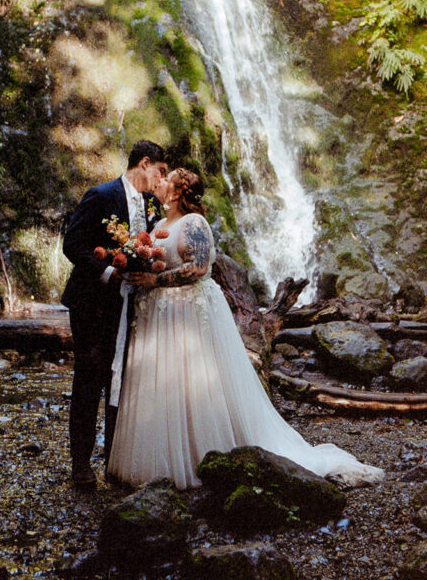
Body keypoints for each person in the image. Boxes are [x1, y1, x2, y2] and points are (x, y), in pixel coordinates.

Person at [107, 167, 384, 490]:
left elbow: (198, 268)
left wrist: (156, 279)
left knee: (195, 384)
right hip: (161, 316)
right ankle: (166, 460)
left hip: (187, 314)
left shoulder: (194, 223)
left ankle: (201, 456)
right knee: (168, 386)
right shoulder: (158, 226)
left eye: (169, 178)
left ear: (180, 191)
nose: (162, 180)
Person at [61, 139, 167, 490]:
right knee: (89, 380)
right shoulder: (101, 195)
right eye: (161, 172)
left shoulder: (152, 204)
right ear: (144, 163)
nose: (161, 180)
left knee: (121, 382)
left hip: (131, 306)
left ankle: (113, 460)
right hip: (93, 302)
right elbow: (72, 244)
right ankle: (80, 465)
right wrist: (109, 272)